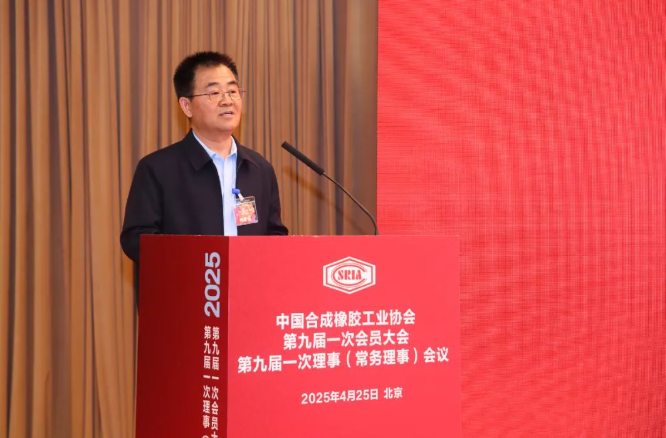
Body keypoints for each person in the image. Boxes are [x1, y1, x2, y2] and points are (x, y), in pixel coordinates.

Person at [121, 51, 288, 263]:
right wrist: (196, 260)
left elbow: (275, 236)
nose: (227, 101)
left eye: (232, 91)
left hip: (248, 283)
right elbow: (136, 240)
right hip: (188, 282)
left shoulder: (259, 169)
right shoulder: (157, 169)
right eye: (214, 93)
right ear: (187, 106)